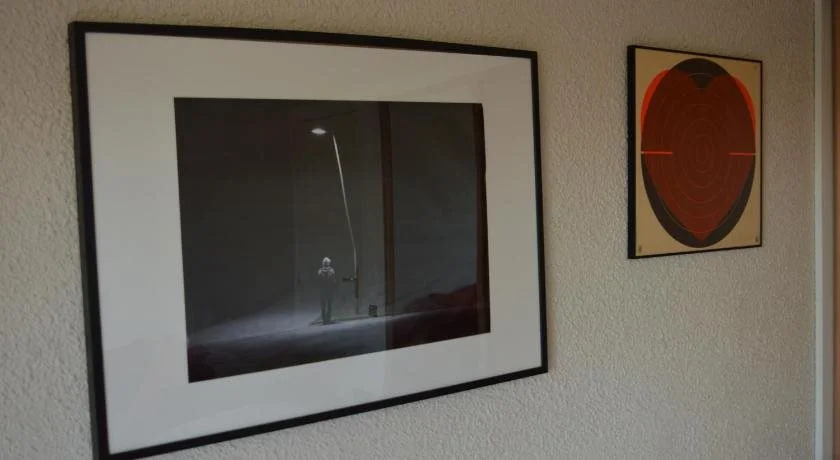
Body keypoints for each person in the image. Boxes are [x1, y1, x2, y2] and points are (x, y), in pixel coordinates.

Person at [317, 257, 337, 324]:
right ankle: (328, 319)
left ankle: (325, 320)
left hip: (323, 290)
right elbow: (334, 281)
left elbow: (318, 281)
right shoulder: (331, 271)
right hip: (328, 290)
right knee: (328, 305)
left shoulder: (320, 271)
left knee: (324, 306)